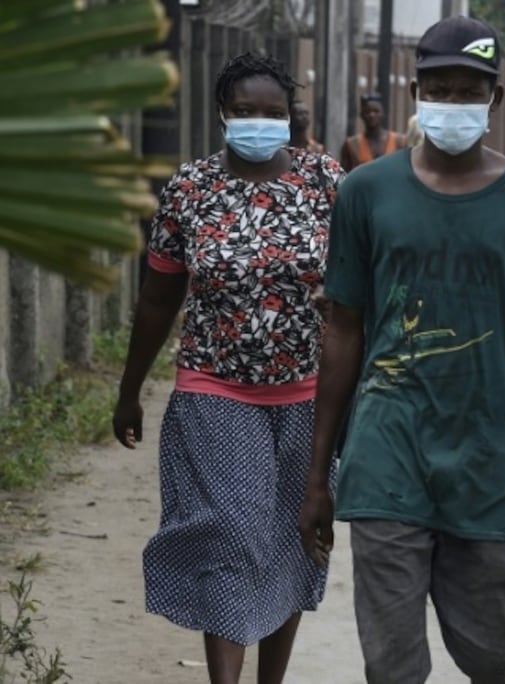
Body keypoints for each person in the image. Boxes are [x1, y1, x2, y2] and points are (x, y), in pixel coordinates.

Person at [296, 16, 505, 683]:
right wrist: (319, 477)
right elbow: (343, 331)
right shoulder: (367, 193)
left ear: (495, 100)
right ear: (416, 94)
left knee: (497, 662)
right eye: (439, 88)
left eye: (467, 91)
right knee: (392, 667)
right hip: (386, 455)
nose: (451, 103)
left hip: (488, 461)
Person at [112, 52, 343, 684]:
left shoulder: (326, 182)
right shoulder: (191, 189)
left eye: (273, 113)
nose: (259, 123)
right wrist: (130, 390)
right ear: (222, 114)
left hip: (307, 394)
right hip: (215, 389)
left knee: (291, 544)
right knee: (234, 538)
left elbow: (360, 284)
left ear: (290, 117)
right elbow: (159, 297)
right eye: (245, 112)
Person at [340, 93, 407, 172]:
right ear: (361, 115)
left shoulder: (399, 142)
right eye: (367, 112)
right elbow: (343, 176)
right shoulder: (351, 144)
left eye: (376, 111)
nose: (372, 115)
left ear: (383, 113)